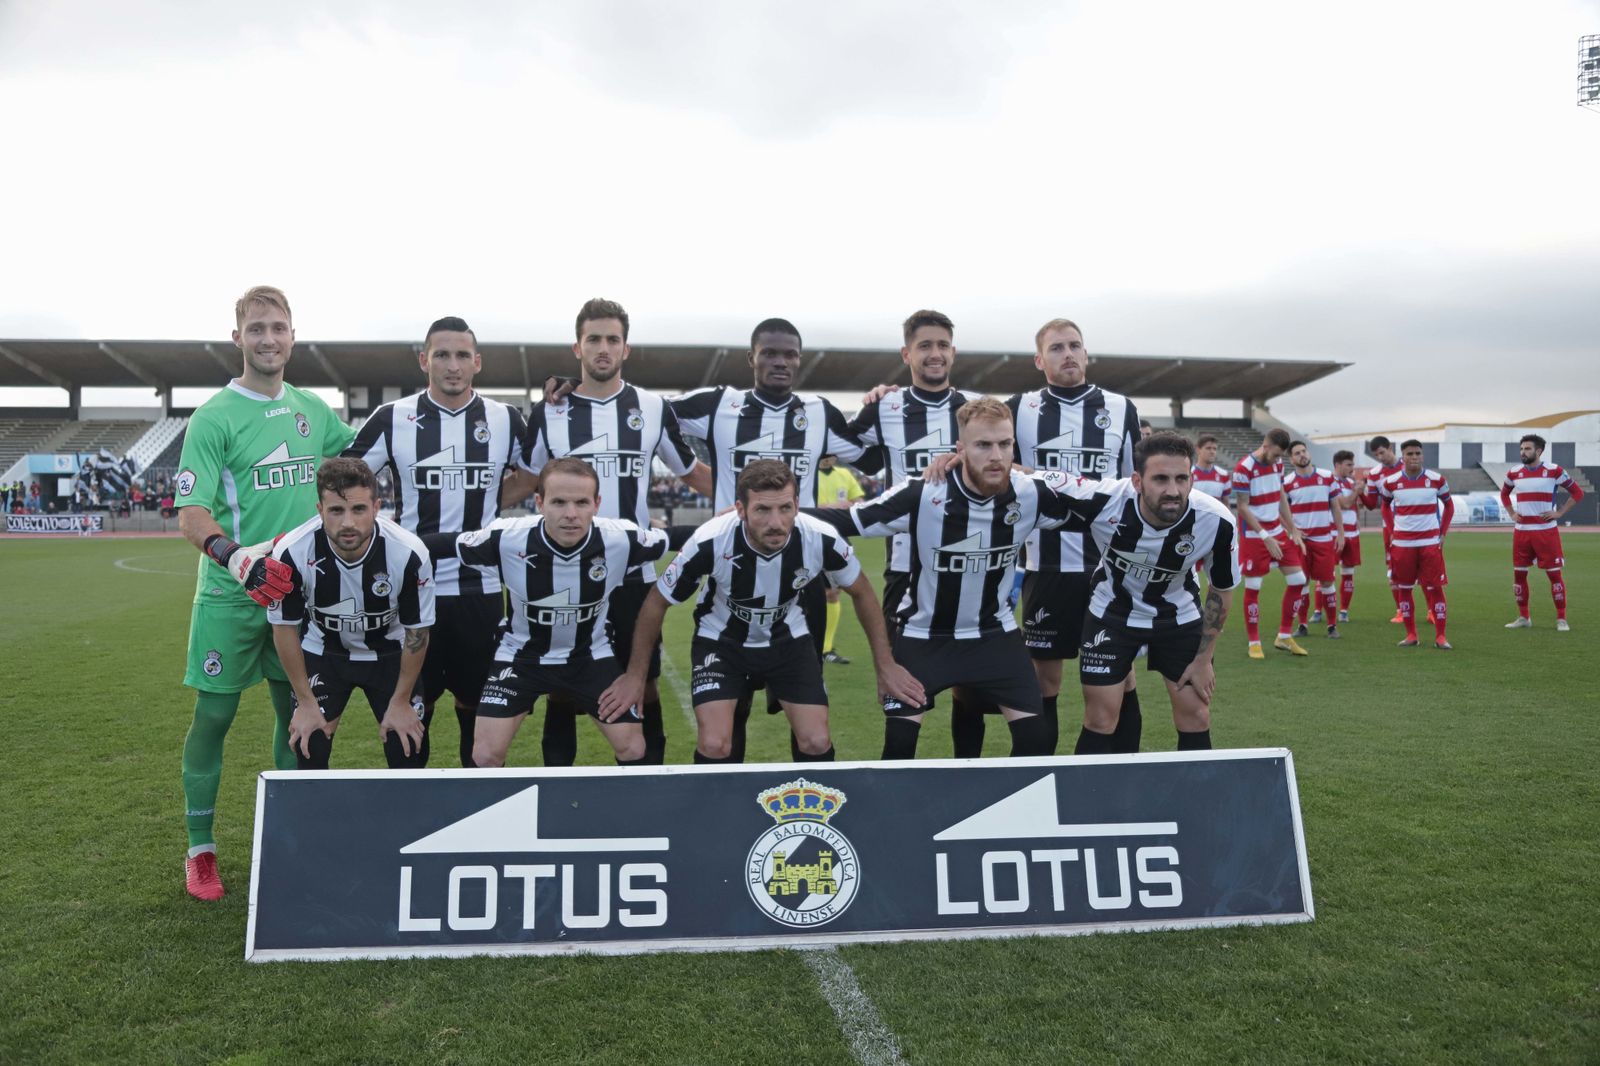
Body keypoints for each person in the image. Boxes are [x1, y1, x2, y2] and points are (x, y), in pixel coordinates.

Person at [173, 285, 357, 901]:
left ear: (293, 336)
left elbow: (368, 450)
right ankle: (201, 852)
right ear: (238, 339)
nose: (268, 339)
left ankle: (286, 840)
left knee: (295, 714)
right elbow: (191, 511)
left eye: (278, 328)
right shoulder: (213, 417)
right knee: (216, 715)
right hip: (231, 596)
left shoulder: (314, 410)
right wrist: (237, 558)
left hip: (295, 597)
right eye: (256, 329)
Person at [807, 397, 1084, 760]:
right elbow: (852, 520)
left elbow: (1098, 507)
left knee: (1035, 740)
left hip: (993, 635)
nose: (996, 456)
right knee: (900, 747)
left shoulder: (1030, 493)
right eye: (983, 445)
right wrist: (776, 514)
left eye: (1004, 444)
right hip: (924, 637)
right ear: (960, 449)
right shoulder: (923, 493)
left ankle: (1009, 813)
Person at [598, 460, 922, 763]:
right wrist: (636, 676)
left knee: (816, 741)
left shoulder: (820, 537)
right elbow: (657, 601)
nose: (776, 523)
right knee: (715, 744)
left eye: (785, 508)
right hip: (721, 642)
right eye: (762, 510)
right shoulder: (710, 540)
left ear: (797, 504)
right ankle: (714, 818)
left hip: (788, 640)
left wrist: (886, 665)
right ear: (740, 509)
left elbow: (862, 592)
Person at [668, 319, 870, 760]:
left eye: (790, 354)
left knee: (807, 712)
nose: (780, 362)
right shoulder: (720, 404)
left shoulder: (819, 413)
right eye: (770, 353)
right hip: (733, 564)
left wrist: (878, 404)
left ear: (799, 359)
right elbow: (650, 416)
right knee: (729, 709)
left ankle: (809, 806)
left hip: (801, 581)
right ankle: (727, 805)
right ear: (752, 358)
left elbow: (872, 451)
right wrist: (690, 471)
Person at [523, 298, 708, 765]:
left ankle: (651, 780)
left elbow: (691, 472)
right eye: (593, 339)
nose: (603, 348)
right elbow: (526, 480)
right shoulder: (548, 411)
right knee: (560, 684)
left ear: (626, 348)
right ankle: (557, 789)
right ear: (577, 347)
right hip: (564, 573)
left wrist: (751, 499)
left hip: (632, 575)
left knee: (641, 680)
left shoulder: (651, 407)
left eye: (612, 340)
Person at [344, 316, 533, 768]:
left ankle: (480, 823)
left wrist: (486, 497)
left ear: (477, 362)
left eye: (462, 355)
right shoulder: (392, 418)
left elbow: (537, 474)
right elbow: (347, 481)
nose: (453, 365)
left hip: (480, 593)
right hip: (413, 595)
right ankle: (411, 821)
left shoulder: (505, 419)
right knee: (408, 723)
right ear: (424, 359)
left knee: (479, 728)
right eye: (442, 355)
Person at [428, 458, 679, 767]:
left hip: (589, 657)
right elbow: (439, 545)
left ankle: (631, 813)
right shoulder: (506, 537)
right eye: (559, 502)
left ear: (597, 504)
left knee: (633, 748)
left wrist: (734, 524)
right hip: (521, 656)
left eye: (581, 502)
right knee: (484, 755)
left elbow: (680, 539)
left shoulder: (620, 537)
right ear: (539, 502)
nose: (571, 514)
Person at [848, 309, 988, 754]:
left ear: (954, 351)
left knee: (971, 689)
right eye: (925, 345)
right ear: (907, 353)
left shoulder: (977, 409)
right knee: (901, 692)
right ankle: (897, 788)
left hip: (971, 565)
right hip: (905, 569)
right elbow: (852, 452)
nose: (935, 353)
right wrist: (869, 402)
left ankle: (969, 782)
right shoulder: (884, 408)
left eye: (943, 345)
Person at [1007, 318, 1142, 753]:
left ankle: (1119, 776)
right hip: (1047, 564)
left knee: (1118, 676)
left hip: (1109, 567)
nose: (1068, 354)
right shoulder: (1019, 408)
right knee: (1044, 680)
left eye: (1075, 346)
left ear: (1086, 354)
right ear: (1038, 359)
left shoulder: (1121, 408)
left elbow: (1133, 487)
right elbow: (989, 457)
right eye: (1056, 347)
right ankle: (1036, 775)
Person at [1061, 433, 1240, 753]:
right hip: (1111, 614)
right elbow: (1029, 479)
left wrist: (1204, 659)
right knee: (1101, 718)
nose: (1173, 490)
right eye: (1160, 478)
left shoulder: (1216, 521)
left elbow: (1221, 590)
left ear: (1191, 478)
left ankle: (1195, 801)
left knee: (1196, 715)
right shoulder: (1104, 500)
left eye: (1181, 478)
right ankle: (1087, 801)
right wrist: (968, 463)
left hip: (1179, 616)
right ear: (1137, 480)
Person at [268, 458, 434, 770]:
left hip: (390, 654)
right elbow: (284, 628)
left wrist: (400, 702)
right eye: (336, 511)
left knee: (407, 747)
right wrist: (305, 702)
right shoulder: (292, 552)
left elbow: (417, 632)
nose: (348, 523)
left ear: (376, 507)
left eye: (358, 510)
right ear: (320, 510)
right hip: (325, 651)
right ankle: (317, 818)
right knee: (309, 744)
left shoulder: (409, 553)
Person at [1231, 428, 1309, 658]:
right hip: (1255, 535)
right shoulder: (1243, 469)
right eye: (1275, 455)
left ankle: (1284, 636)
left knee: (1298, 580)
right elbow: (1242, 508)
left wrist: (1292, 528)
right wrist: (1265, 537)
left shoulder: (1277, 465)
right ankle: (1254, 642)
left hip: (1277, 530)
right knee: (1254, 586)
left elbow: (1280, 494)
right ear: (1265, 446)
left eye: (1280, 456)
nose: (1278, 460)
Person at [1500, 433, 1582, 631]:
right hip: (1522, 532)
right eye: (1521, 449)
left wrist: (1559, 512)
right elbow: (1504, 494)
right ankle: (1523, 617)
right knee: (1519, 576)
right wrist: (1511, 513)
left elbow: (1577, 493)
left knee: (1554, 576)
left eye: (1527, 449)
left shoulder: (1554, 471)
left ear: (1539, 451)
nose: (1523, 452)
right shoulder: (1514, 472)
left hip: (1546, 532)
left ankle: (1561, 619)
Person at [1379, 440, 1453, 648]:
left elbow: (1449, 506)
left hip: (1429, 542)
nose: (1414, 457)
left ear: (1422, 456)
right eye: (1409, 453)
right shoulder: (1391, 482)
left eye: (1417, 453)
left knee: (1435, 587)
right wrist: (1393, 531)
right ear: (1402, 457)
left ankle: (1440, 636)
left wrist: (1443, 532)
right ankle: (1411, 635)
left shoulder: (1436, 480)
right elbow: (1384, 507)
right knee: (1404, 588)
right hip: (1403, 544)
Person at [1284, 440, 1344, 639]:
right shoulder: (1287, 482)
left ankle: (1332, 625)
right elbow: (1281, 513)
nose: (1302, 455)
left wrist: (1341, 534)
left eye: (1303, 451)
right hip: (1301, 543)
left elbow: (1335, 507)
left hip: (1323, 539)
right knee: (1301, 582)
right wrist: (1293, 531)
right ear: (1291, 459)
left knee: (1327, 581)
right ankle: (1302, 625)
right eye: (1297, 453)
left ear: (1308, 453)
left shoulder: (1327, 477)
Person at [815, 453, 866, 664]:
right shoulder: (808, 475)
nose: (828, 459)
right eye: (825, 455)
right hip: (814, 535)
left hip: (839, 539)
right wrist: (833, 507)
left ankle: (825, 648)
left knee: (832, 594)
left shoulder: (845, 474)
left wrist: (843, 506)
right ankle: (816, 646)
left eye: (832, 456)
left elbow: (859, 502)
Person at [1358, 435, 1407, 624]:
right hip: (1390, 529)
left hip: (1413, 526)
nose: (1380, 457)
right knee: (1393, 571)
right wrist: (1361, 492)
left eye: (1382, 452)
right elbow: (1371, 505)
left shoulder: (1407, 466)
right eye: (1377, 454)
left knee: (1423, 569)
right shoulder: (1374, 474)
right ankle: (1401, 610)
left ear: (1390, 448)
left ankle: (1431, 611)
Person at [1330, 450, 1362, 622]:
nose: (1352, 468)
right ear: (1338, 465)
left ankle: (1343, 611)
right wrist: (1357, 492)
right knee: (1327, 575)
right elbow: (1345, 503)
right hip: (1334, 533)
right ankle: (1319, 611)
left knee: (1348, 573)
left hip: (1353, 533)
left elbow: (1356, 505)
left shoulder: (1351, 482)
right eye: (1349, 464)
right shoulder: (1331, 481)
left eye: (1352, 464)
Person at [1191, 435, 1232, 508]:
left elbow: (1226, 503)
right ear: (1198, 450)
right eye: (1208, 448)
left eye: (1214, 449)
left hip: (1215, 518)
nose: (1212, 452)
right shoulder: (1189, 474)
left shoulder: (1224, 474)